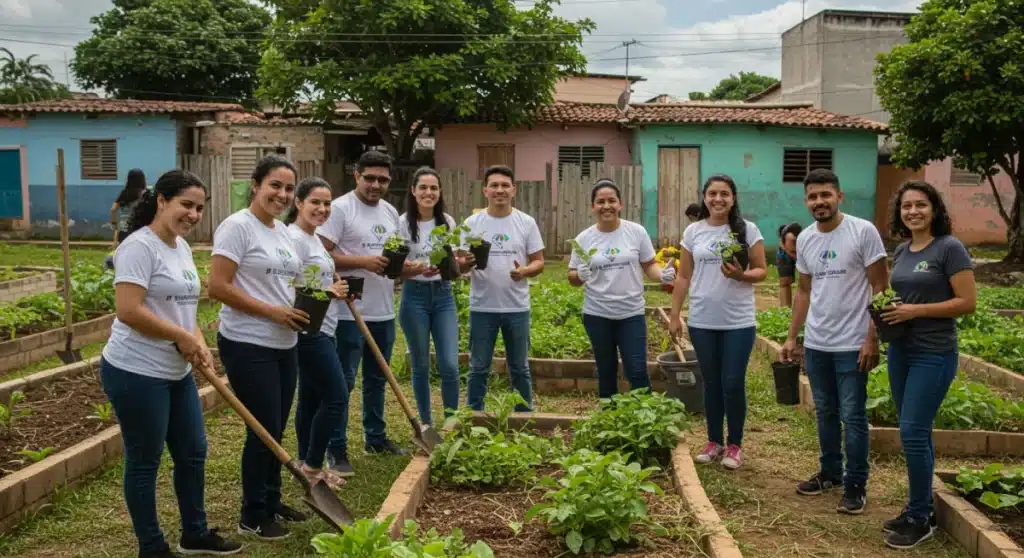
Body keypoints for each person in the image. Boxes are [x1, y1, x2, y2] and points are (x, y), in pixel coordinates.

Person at [100, 169, 242, 557]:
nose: (194, 214)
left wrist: (196, 340)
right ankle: (151, 546)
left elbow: (184, 309)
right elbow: (128, 311)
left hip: (176, 370)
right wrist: (179, 337)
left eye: (199, 208)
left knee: (193, 452)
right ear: (161, 201)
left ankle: (194, 534)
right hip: (136, 372)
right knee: (145, 461)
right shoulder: (137, 247)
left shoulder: (179, 247)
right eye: (186, 205)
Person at [209, 155, 310, 541]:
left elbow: (295, 284)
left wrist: (321, 295)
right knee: (262, 427)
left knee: (276, 427)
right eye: (275, 186)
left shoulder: (283, 233)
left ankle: (271, 500)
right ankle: (252, 513)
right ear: (256, 184)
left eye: (288, 189)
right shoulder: (237, 227)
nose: (282, 195)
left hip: (285, 342)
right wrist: (273, 313)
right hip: (247, 342)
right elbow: (218, 286)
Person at [781, 168, 888, 515]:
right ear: (806, 201)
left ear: (839, 196)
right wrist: (792, 336)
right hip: (817, 343)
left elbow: (881, 289)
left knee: (853, 416)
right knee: (825, 411)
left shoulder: (862, 232)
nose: (819, 201)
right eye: (813, 196)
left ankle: (856, 483)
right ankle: (830, 473)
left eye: (826, 194)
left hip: (852, 342)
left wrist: (872, 338)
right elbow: (804, 290)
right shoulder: (807, 239)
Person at [880, 180, 975, 549]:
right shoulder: (903, 249)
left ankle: (920, 517)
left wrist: (914, 311)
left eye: (921, 205)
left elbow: (967, 302)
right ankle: (919, 508)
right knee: (916, 433)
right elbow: (899, 296)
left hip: (934, 353)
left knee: (913, 432)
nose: (913, 211)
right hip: (902, 351)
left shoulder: (950, 248)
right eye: (906, 206)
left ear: (934, 209)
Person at [317, 150, 424, 459]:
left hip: (383, 309)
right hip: (348, 311)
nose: (376, 185)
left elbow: (391, 262)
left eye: (383, 179)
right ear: (356, 175)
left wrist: (410, 269)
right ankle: (335, 447)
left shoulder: (390, 213)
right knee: (344, 381)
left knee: (377, 379)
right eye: (370, 178)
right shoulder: (339, 209)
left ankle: (375, 438)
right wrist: (363, 261)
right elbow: (321, 254)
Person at [668, 174, 767, 470]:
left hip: (738, 321)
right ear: (704, 197)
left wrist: (741, 275)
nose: (718, 199)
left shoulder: (747, 230)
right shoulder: (694, 232)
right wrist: (675, 315)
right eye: (712, 193)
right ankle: (714, 441)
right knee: (711, 383)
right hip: (702, 320)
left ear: (733, 198)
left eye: (724, 194)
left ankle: (735, 445)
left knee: (732, 382)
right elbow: (684, 276)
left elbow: (762, 270)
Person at [568, 178, 675, 398]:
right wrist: (578, 274)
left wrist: (662, 275)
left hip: (631, 314)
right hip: (597, 315)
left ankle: (644, 419)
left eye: (611, 201)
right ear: (593, 207)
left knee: (636, 370)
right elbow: (572, 276)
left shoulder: (636, 232)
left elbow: (649, 266)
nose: (606, 206)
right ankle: (609, 418)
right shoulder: (584, 239)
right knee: (606, 371)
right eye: (600, 201)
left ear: (620, 204)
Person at [460, 165, 545, 411]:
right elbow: (461, 264)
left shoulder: (526, 222)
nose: (500, 190)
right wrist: (464, 264)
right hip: (482, 306)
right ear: (485, 190)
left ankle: (524, 414)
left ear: (513, 190)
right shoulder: (472, 223)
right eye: (494, 185)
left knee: (519, 366)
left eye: (505, 185)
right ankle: (473, 414)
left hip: (516, 306)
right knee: (478, 366)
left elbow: (539, 261)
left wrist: (526, 271)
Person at [284, 177, 352, 485]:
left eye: (327, 204)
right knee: (337, 396)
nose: (322, 209)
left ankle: (308, 463)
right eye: (315, 202)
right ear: (298, 203)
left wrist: (335, 290)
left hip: (326, 327)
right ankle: (312, 467)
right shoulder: (293, 239)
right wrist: (329, 291)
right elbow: (288, 289)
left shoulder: (314, 239)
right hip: (308, 332)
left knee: (311, 399)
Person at [398, 167, 461, 425]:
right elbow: (394, 266)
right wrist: (416, 267)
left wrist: (455, 263)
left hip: (443, 296)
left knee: (449, 364)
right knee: (420, 364)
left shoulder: (447, 222)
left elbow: (454, 260)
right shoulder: (402, 223)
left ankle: (451, 421)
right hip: (414, 297)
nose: (428, 192)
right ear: (413, 191)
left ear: (439, 192)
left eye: (433, 188)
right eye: (423, 187)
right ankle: (426, 422)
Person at [106, 168, 148, 270]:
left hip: (124, 230)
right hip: (140, 230)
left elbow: (113, 209)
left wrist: (114, 224)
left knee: (124, 255)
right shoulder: (146, 194)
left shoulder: (124, 193)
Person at [776, 222, 802, 308]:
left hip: (798, 253)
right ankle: (785, 309)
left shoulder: (798, 238)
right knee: (785, 282)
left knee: (805, 282)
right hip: (785, 255)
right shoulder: (789, 238)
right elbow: (790, 251)